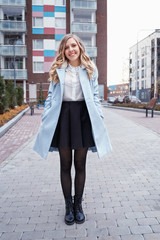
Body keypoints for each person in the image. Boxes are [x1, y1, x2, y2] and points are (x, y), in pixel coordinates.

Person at [33, 34, 112, 225]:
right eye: (67, 47)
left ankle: (79, 205)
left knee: (81, 164)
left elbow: (94, 96)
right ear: (63, 51)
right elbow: (51, 96)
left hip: (83, 116)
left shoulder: (89, 69)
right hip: (63, 116)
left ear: (79, 47)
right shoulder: (58, 70)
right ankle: (68, 206)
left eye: (73, 46)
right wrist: (46, 115)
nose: (71, 50)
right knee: (65, 165)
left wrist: (99, 116)